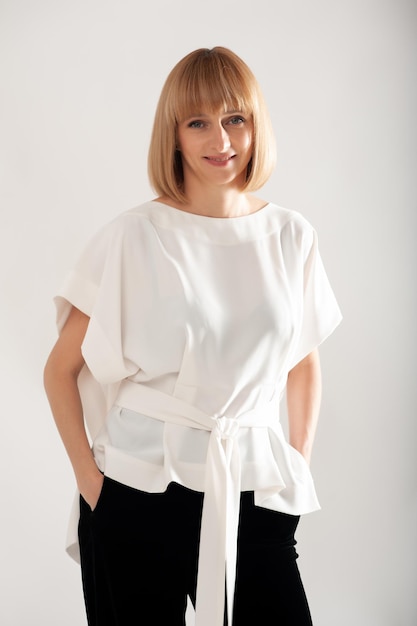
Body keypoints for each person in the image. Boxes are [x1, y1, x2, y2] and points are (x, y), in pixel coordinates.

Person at [44, 46, 342, 626]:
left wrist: (298, 464)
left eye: (235, 119)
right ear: (174, 135)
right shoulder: (133, 235)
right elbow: (61, 369)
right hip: (139, 489)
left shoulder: (291, 236)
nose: (220, 140)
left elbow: (303, 360)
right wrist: (92, 485)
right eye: (198, 122)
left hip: (252, 488)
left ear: (256, 126)